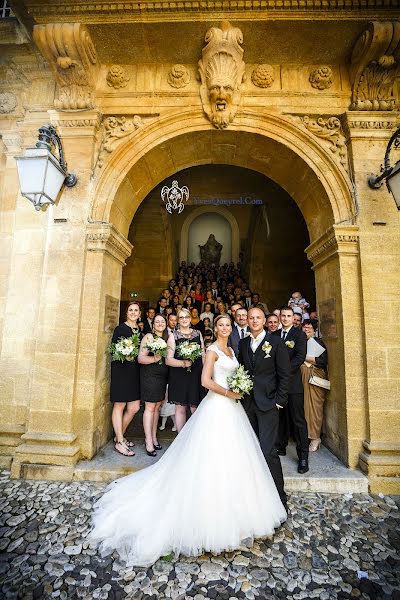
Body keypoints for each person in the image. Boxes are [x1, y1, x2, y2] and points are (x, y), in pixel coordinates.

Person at [90, 314, 286, 566]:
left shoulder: (235, 348)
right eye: (221, 324)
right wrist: (229, 392)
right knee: (211, 457)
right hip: (218, 406)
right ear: (215, 328)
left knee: (235, 457)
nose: (225, 328)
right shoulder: (213, 349)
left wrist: (238, 391)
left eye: (228, 325)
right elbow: (205, 381)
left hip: (234, 410)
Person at [238, 307, 290, 510]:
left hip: (268, 404)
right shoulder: (243, 343)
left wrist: (279, 401)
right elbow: (241, 369)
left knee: (268, 451)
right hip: (248, 404)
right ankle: (255, 496)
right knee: (249, 450)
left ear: (265, 321)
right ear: (246, 321)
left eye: (258, 318)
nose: (254, 321)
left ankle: (279, 498)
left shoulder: (276, 342)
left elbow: (284, 374)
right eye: (251, 318)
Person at [273, 306, 308, 474]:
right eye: (283, 316)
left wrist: (283, 371)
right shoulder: (273, 335)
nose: (286, 319)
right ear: (280, 317)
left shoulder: (299, 335)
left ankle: (303, 457)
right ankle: (280, 446)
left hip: (293, 384)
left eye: (289, 316)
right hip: (277, 385)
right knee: (280, 417)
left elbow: (300, 358)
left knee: (298, 420)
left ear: (293, 318)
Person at [110, 301, 142, 457]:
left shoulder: (139, 330)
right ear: (126, 312)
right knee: (120, 405)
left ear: (139, 313)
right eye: (131, 310)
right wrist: (125, 355)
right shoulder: (120, 329)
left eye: (136, 310)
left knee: (134, 407)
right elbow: (114, 350)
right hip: (121, 371)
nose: (133, 312)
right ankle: (120, 441)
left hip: (134, 372)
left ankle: (119, 436)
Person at [166, 308, 205, 432]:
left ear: (190, 318)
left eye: (186, 317)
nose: (184, 320)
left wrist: (206, 373)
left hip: (196, 374)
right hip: (179, 376)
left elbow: (203, 354)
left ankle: (195, 438)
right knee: (181, 408)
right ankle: (180, 439)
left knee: (196, 407)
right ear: (178, 320)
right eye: (181, 317)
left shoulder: (198, 334)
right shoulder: (173, 336)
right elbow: (168, 360)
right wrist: (183, 363)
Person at [138, 314, 169, 457]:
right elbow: (141, 358)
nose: (160, 324)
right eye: (157, 322)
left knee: (157, 407)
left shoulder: (167, 338)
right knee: (150, 408)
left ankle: (154, 437)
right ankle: (148, 441)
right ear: (153, 324)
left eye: (162, 321)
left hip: (162, 377)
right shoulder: (149, 337)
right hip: (149, 376)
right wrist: (154, 358)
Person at [301, 319, 329, 452]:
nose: (306, 330)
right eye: (305, 328)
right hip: (303, 379)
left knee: (315, 408)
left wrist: (304, 357)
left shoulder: (318, 342)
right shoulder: (301, 342)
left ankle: (315, 437)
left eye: (309, 328)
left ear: (314, 330)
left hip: (314, 378)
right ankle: (307, 435)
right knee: (305, 408)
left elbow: (322, 361)